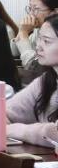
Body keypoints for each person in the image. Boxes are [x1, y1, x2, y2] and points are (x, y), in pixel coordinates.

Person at [6, 14, 58, 145]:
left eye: (46, 41)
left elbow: (53, 133)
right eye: (39, 39)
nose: (38, 46)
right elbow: (6, 110)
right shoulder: (46, 80)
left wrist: (10, 130)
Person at [17, 0, 58, 78]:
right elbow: (14, 52)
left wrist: (23, 34)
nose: (31, 14)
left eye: (36, 9)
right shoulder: (38, 30)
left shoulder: (54, 34)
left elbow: (34, 67)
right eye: (30, 9)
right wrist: (22, 30)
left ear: (55, 12)